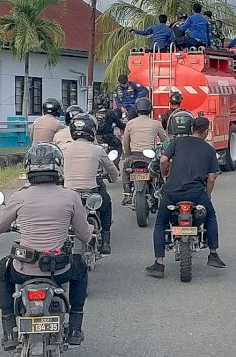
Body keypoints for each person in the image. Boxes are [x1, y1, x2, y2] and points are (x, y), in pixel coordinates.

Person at [0, 143, 92, 350]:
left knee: (3, 269)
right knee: (80, 267)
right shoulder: (70, 197)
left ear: (28, 168)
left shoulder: (20, 197)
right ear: (58, 167)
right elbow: (85, 235)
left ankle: (9, 328)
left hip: (23, 270)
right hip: (59, 270)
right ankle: (74, 327)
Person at [146, 115, 225, 278]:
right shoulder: (209, 150)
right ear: (206, 132)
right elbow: (211, 178)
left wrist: (165, 175)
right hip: (196, 194)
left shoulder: (176, 143)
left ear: (191, 129)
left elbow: (162, 160)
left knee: (160, 223)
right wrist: (207, 196)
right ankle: (213, 253)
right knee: (211, 216)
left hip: (172, 192)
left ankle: (159, 263)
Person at [60, 114, 120, 254]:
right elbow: (113, 171)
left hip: (69, 193)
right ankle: (105, 242)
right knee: (106, 203)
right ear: (92, 130)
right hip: (92, 192)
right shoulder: (97, 150)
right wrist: (113, 178)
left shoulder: (63, 149)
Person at [122, 98, 168, 205]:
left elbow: (125, 142)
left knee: (126, 169)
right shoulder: (156, 124)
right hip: (150, 157)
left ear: (137, 109)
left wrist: (128, 155)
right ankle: (161, 192)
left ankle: (127, 193)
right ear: (150, 109)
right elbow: (166, 141)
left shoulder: (130, 123)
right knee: (160, 172)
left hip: (135, 156)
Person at [92, 93, 126, 161]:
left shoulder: (92, 114)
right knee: (119, 145)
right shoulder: (111, 113)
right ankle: (116, 164)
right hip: (108, 138)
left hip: (95, 139)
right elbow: (121, 125)